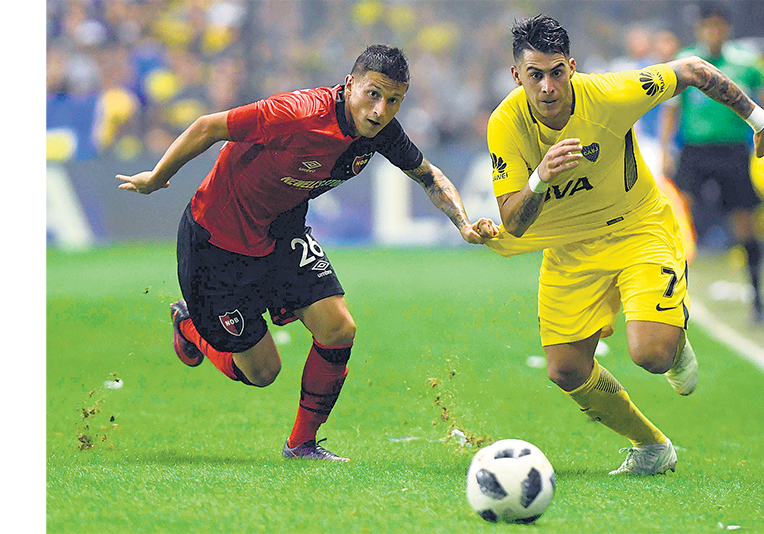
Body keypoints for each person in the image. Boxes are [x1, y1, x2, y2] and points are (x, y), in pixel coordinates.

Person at [116, 45, 499, 461]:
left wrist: (463, 223)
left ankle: (302, 444)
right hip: (217, 243)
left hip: (282, 234)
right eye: (373, 94)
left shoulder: (382, 131)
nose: (380, 110)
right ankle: (189, 324)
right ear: (350, 83)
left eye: (393, 100)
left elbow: (429, 176)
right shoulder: (297, 112)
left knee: (339, 328)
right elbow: (209, 127)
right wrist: (157, 177)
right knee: (263, 373)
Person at [484, 15, 764, 475]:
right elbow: (515, 222)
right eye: (535, 75)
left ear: (571, 66)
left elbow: (692, 70)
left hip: (637, 228)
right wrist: (539, 177)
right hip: (571, 247)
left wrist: (760, 121)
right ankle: (651, 446)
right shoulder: (505, 123)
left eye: (556, 73)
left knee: (652, 354)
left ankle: (673, 333)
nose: (547, 86)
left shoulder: (609, 93)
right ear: (516, 76)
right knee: (565, 369)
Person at [660, 2, 764, 324]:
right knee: (677, 220)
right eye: (708, 26)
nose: (713, 32)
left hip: (733, 150)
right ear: (700, 29)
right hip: (694, 150)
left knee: (744, 223)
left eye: (718, 26)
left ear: (727, 29)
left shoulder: (746, 64)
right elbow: (672, 108)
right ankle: (669, 296)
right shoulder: (686, 62)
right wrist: (667, 148)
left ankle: (758, 299)